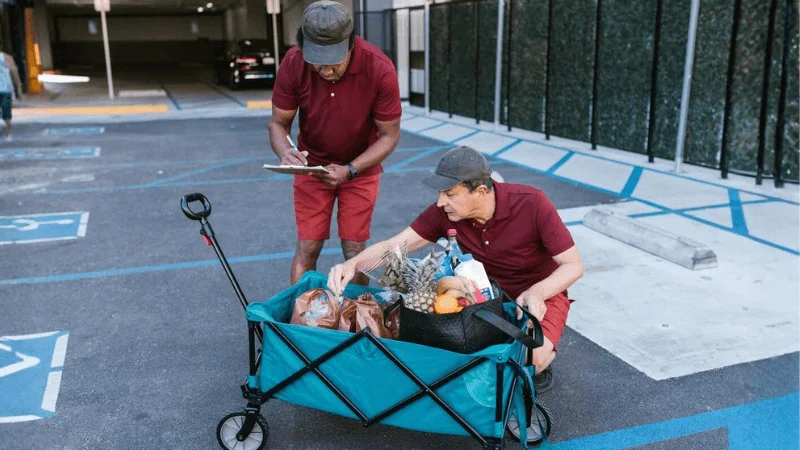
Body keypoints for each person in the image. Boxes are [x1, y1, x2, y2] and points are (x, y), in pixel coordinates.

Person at [328, 146, 584, 388]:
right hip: (481, 294)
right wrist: (352, 264)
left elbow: (573, 265)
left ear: (481, 191)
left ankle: (538, 361)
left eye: (450, 194)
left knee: (532, 359)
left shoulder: (532, 203)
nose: (441, 202)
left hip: (539, 294)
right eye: (440, 194)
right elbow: (396, 244)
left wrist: (538, 292)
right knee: (450, 351)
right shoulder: (446, 213)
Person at [268, 0, 402, 285]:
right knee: (308, 246)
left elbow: (389, 135)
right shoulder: (293, 63)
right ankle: (299, 317)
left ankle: (356, 318)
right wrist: (286, 151)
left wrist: (351, 169)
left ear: (350, 44)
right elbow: (279, 124)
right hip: (311, 167)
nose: (325, 71)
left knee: (354, 249)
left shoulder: (379, 68)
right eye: (317, 62)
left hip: (360, 169)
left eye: (332, 63)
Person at [0, 49, 23, 141]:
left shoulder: (7, 58)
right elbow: (15, 72)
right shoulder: (7, 58)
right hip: (6, 91)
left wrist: (18, 87)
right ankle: (8, 133)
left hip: (6, 90)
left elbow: (14, 72)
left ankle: (9, 133)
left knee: (7, 114)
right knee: (6, 113)